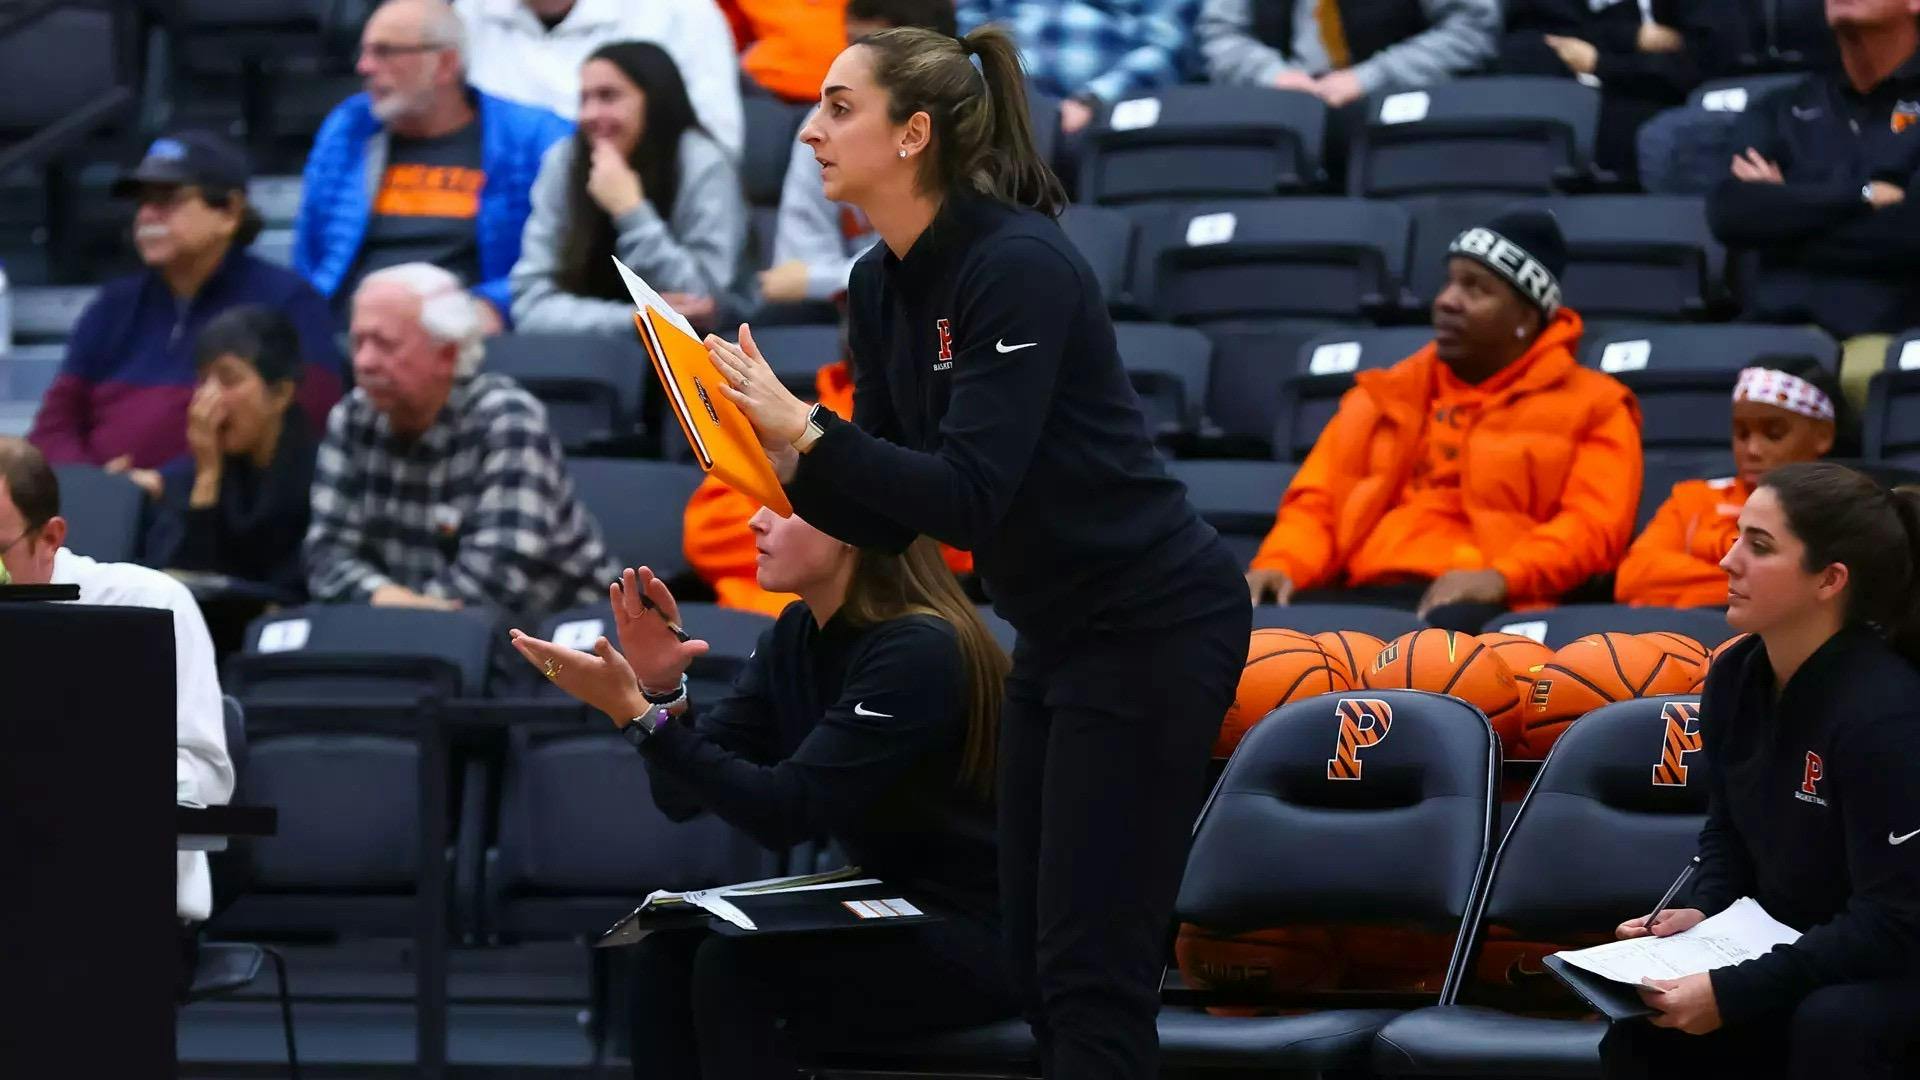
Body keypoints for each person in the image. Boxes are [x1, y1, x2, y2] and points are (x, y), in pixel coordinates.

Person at [704, 26, 1252, 1078]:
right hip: (1057, 632)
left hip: (1154, 625)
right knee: (1037, 959)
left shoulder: (1019, 263)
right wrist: (755, 441)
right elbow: (882, 518)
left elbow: (966, 494)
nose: (810, 131)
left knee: (1093, 965)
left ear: (914, 134)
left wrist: (805, 427)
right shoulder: (877, 283)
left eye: (838, 107)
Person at [507, 518, 1015, 1078]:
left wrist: (640, 717)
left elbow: (784, 813)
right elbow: (681, 797)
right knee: (666, 950)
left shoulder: (919, 650)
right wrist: (659, 693)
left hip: (987, 930)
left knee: (736, 969)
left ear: (847, 527)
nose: (756, 520)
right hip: (892, 902)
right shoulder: (799, 631)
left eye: (782, 506)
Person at [1601, 462, 1920, 1080]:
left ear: (1829, 580)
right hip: (1799, 950)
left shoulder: (1887, 714)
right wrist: (1703, 915)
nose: (1727, 561)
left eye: (1760, 545)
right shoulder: (1734, 675)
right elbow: (1726, 833)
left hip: (1892, 964)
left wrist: (1737, 989)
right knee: (1645, 1029)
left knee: (1837, 1023)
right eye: (1737, 534)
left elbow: (1896, 920)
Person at [1245, 208, 1644, 631]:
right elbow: (1318, 504)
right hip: (1366, 588)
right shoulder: (1384, 393)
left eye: (1476, 289)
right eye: (1450, 282)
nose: (1447, 300)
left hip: (1494, 604)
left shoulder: (1597, 405)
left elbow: (1593, 529)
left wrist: (1503, 577)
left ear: (1526, 319)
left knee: (1447, 634)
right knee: (1262, 620)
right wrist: (1282, 562)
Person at [0, 437, 232, 924]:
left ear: (50, 537)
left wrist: (78, 782)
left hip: (120, 911)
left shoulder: (148, 605)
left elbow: (207, 781)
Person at [305, 263, 621, 615]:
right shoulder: (352, 417)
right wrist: (386, 600)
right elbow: (326, 555)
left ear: (447, 354)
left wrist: (397, 613)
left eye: (384, 344)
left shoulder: (508, 419)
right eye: (357, 341)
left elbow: (497, 580)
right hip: (412, 639)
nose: (363, 362)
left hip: (554, 642)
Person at [28, 131, 343, 475]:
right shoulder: (112, 306)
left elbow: (300, 426)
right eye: (142, 201)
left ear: (230, 213)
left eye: (167, 199)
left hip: (222, 516)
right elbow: (53, 427)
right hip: (103, 511)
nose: (147, 215)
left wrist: (167, 485)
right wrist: (100, 487)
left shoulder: (289, 303)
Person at [294, 0, 572, 331]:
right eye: (364, 51)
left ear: (445, 64)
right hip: (351, 332)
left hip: (468, 335)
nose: (364, 66)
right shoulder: (350, 128)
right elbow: (311, 254)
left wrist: (496, 306)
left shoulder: (535, 139)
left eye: (385, 52)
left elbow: (561, 260)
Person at [683, 331, 973, 615]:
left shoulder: (949, 442)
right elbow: (706, 538)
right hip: (758, 620)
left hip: (873, 615)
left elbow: (967, 531)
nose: (756, 521)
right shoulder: (775, 424)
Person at [1706, 0, 1920, 350]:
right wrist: (1863, 196)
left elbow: (1910, 233)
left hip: (1889, 338)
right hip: (1767, 333)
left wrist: (1785, 212)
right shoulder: (1782, 105)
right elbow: (1730, 212)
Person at [509, 41, 745, 336]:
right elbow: (529, 307)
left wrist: (630, 210)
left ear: (655, 100)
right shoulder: (564, 161)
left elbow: (700, 303)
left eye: (608, 96)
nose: (590, 114)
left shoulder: (702, 161)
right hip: (586, 353)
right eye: (584, 99)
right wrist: (633, 320)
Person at [758, 0, 956, 309]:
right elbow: (792, 271)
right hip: (847, 316)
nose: (854, 66)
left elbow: (944, 264)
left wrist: (821, 281)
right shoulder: (822, 124)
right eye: (851, 46)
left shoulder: (968, 128)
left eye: (877, 56)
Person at [1616, 359, 1856, 609]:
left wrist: (1688, 588)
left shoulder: (1840, 510)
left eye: (1774, 434)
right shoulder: (1691, 498)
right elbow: (1632, 578)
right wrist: (1764, 588)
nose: (1752, 449)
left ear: (1822, 436)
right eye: (1742, 433)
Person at [141, 305, 318, 600]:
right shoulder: (193, 472)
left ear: (280, 394)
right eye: (203, 381)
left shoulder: (320, 474)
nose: (207, 398)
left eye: (228, 379)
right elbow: (179, 587)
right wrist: (207, 477)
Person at [454, 0, 744, 158]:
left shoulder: (682, 13)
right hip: (493, 217)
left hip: (631, 211)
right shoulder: (465, 15)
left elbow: (716, 145)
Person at [1500, 0, 1750, 176]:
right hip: (1573, 101)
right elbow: (1532, 41)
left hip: (1667, 109)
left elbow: (1703, 60)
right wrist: (1633, 37)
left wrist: (1601, 62)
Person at [955, 0, 1197, 138]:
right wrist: (985, 80)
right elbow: (970, 27)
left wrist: (1093, 99)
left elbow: (1165, 49)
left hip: (1095, 108)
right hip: (995, 90)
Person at [1197, 0, 1498, 109]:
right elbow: (1220, 32)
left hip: (1399, 104)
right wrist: (1269, 74)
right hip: (1278, 105)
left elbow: (1470, 30)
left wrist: (1372, 77)